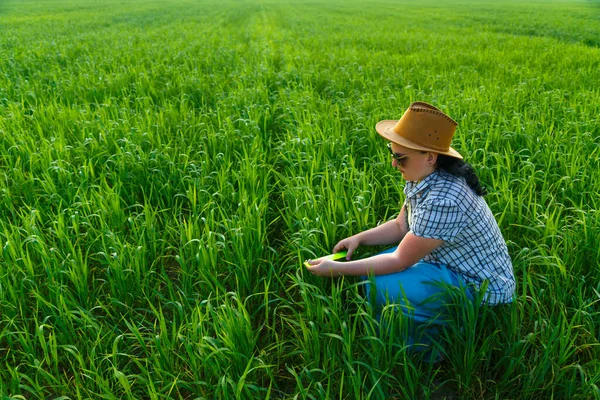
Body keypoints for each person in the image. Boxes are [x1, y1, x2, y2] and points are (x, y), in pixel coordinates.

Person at [306, 101, 516, 335]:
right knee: (376, 267)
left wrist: (336, 269)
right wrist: (359, 239)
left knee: (380, 283)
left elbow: (399, 260)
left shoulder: (444, 200)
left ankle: (430, 343)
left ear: (430, 157)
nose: (394, 163)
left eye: (401, 157)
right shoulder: (424, 177)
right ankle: (395, 326)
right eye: (391, 153)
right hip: (445, 262)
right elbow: (401, 226)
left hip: (478, 285)